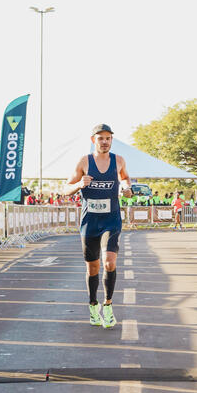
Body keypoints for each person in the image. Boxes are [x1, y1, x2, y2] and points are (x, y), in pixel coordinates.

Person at [64, 124, 132, 328]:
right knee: (92, 267)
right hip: (90, 222)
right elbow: (65, 189)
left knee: (109, 262)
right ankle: (93, 305)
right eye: (101, 138)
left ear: (111, 140)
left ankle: (108, 306)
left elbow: (126, 178)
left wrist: (127, 187)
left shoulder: (118, 161)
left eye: (108, 138)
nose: (105, 142)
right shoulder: (84, 161)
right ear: (93, 140)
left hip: (111, 220)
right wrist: (78, 185)